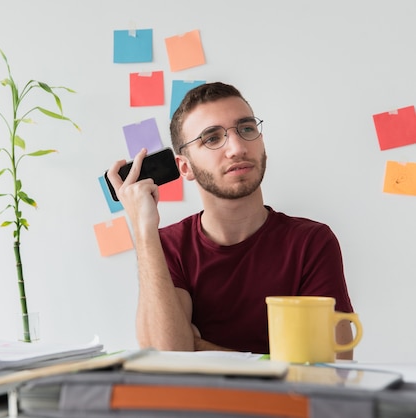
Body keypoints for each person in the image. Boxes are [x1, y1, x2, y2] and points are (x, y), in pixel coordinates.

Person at [106, 82, 355, 358]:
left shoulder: (311, 242)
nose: (237, 148)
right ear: (185, 167)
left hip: (286, 402)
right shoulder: (169, 246)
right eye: (212, 138)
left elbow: (332, 365)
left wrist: (202, 348)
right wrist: (143, 229)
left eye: (247, 129)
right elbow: (167, 357)